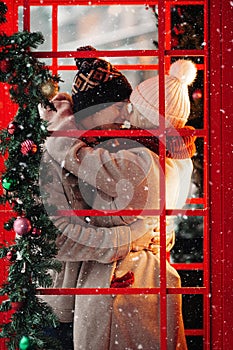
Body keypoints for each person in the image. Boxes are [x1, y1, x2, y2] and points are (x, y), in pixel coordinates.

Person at [40, 49, 196, 349]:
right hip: (148, 277)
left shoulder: (141, 159)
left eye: (131, 107)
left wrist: (60, 126)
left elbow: (79, 158)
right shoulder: (178, 155)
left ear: (150, 117)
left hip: (120, 279)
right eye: (123, 106)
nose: (126, 113)